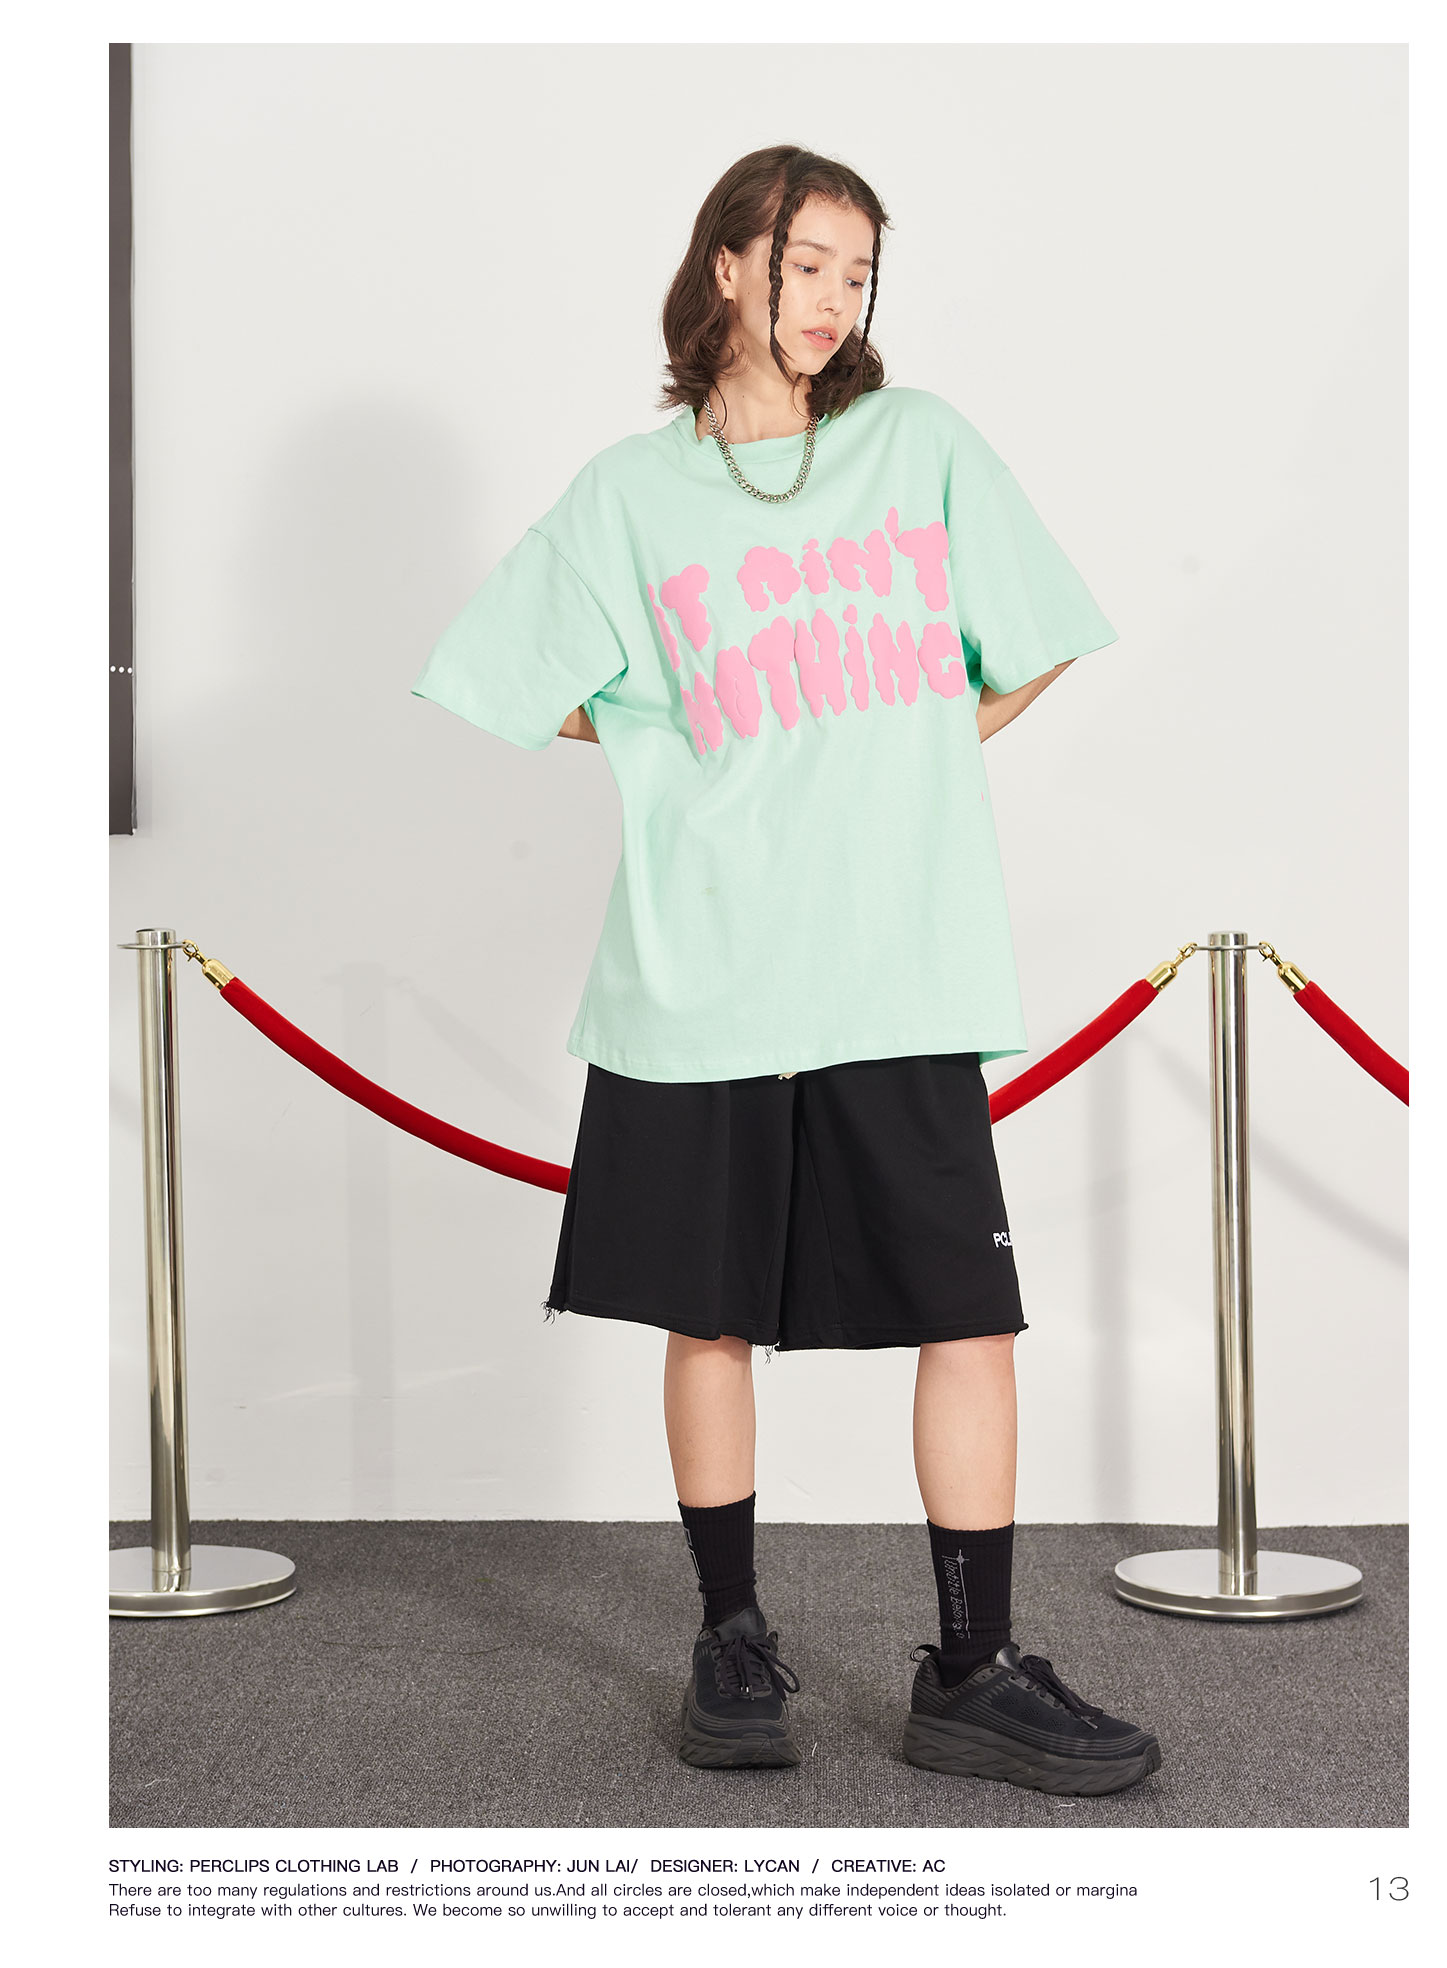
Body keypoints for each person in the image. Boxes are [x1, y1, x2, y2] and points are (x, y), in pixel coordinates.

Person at [411, 144, 1161, 1797]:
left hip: (899, 960)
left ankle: (973, 1669)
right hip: (704, 970)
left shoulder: (920, 446)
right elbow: (500, 671)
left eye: (860, 273)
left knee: (967, 1312)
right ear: (730, 265)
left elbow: (1029, 643)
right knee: (711, 1316)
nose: (836, 299)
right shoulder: (631, 493)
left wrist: (898, 759)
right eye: (809, 263)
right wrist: (668, 745)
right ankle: (732, 1638)